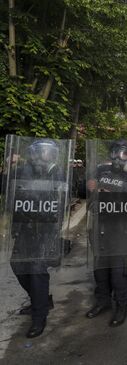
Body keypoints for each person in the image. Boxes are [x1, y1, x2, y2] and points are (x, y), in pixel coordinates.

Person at [9, 138, 67, 338]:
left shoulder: (57, 173)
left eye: (47, 153)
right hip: (25, 227)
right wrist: (10, 168)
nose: (43, 156)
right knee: (17, 265)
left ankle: (39, 316)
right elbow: (10, 191)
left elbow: (59, 202)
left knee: (36, 269)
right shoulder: (25, 170)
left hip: (45, 229)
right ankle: (40, 300)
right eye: (39, 152)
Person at [86, 140, 127, 327]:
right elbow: (83, 191)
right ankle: (102, 301)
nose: (119, 157)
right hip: (100, 228)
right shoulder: (101, 171)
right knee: (100, 271)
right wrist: (90, 188)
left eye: (124, 154)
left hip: (121, 230)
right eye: (116, 153)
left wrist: (112, 192)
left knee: (119, 273)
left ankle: (122, 305)